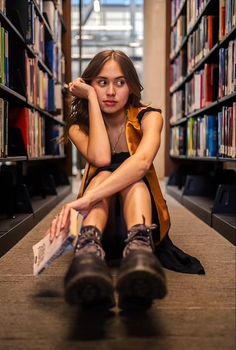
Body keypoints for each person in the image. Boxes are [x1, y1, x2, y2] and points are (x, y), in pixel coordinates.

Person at [50, 50, 204, 310]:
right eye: (101, 83)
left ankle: (139, 251)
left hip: (140, 214)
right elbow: (100, 158)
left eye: (120, 82)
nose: (110, 92)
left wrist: (84, 200)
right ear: (89, 85)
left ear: (131, 86)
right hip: (103, 219)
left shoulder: (150, 117)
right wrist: (90, 100)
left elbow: (141, 163)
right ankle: (89, 248)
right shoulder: (78, 127)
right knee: (104, 174)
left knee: (133, 178)